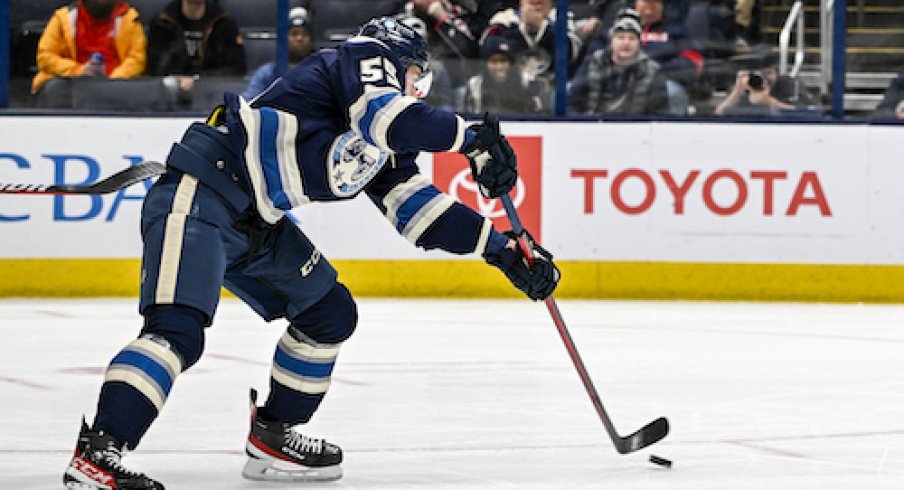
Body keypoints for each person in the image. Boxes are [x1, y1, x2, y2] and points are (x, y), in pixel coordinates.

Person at [61, 17, 559, 490]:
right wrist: (468, 138)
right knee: (178, 330)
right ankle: (100, 450)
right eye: (413, 74)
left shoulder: (387, 143)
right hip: (203, 192)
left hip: (256, 221)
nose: (414, 86)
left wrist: (499, 248)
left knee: (328, 312)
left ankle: (273, 435)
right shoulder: (365, 56)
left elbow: (416, 212)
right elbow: (387, 118)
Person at [31, 0, 147, 95]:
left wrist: (111, 82)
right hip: (71, 85)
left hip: (116, 88)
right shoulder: (63, 18)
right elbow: (45, 57)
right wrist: (80, 71)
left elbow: (136, 60)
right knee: (55, 89)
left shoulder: (130, 19)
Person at [147, 0, 246, 105]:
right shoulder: (162, 22)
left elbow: (237, 68)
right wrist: (178, 78)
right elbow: (155, 68)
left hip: (212, 95)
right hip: (169, 95)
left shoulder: (224, 22)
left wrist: (198, 79)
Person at [570, 9, 668, 116]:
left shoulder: (652, 70)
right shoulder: (592, 63)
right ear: (611, 40)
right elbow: (573, 102)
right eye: (620, 37)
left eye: (632, 38)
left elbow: (660, 112)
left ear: (639, 43)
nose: (626, 43)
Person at [481, 0, 582, 83]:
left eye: (540, 2)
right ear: (521, 3)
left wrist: (542, 28)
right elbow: (487, 47)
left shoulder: (562, 17)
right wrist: (524, 29)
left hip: (553, 84)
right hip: (513, 83)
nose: (536, 2)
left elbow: (571, 52)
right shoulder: (505, 17)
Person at [714, 46, 815, 116]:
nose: (763, 79)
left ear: (775, 72)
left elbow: (805, 113)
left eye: (767, 73)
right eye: (758, 74)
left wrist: (769, 102)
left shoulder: (790, 84)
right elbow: (719, 114)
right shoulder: (747, 86)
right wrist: (737, 91)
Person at [241, 7, 314, 100]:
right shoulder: (267, 73)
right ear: (284, 39)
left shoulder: (322, 72)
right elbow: (248, 102)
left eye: (304, 34)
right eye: (294, 34)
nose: (299, 38)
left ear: (311, 39)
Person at [464, 36, 544, 114]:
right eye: (493, 61)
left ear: (510, 63)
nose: (499, 67)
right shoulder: (474, 85)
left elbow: (536, 114)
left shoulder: (527, 82)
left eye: (503, 61)